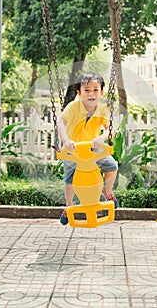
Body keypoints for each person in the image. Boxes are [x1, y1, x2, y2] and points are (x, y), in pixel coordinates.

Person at [57, 72, 118, 225]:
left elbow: (110, 129)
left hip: (93, 150)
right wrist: (65, 140)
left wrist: (101, 138)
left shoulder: (103, 109)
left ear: (102, 92)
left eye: (95, 90)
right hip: (74, 150)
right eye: (87, 90)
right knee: (70, 177)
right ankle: (69, 205)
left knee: (112, 166)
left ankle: (107, 191)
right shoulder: (73, 107)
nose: (91, 94)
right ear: (79, 93)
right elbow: (60, 123)